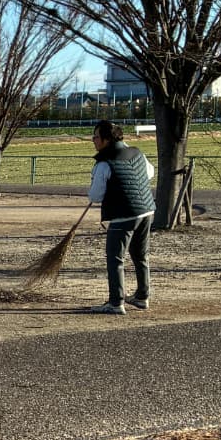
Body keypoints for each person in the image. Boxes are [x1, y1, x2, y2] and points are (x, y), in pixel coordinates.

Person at [87, 119, 155, 314]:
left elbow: (96, 195)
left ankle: (116, 302)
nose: (94, 140)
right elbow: (150, 173)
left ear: (107, 139)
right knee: (141, 256)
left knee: (115, 258)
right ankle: (142, 296)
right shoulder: (137, 153)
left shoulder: (104, 163)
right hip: (147, 210)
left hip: (123, 214)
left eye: (96, 137)